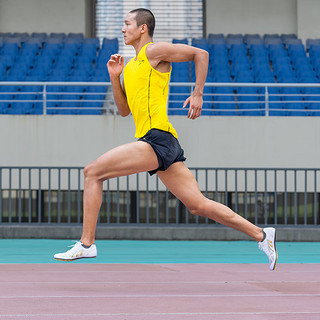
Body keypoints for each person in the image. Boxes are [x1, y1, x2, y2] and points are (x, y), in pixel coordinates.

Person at [54, 8, 278, 270]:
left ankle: (87, 244)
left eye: (127, 24)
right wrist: (115, 78)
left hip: (156, 139)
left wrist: (198, 93)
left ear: (142, 28)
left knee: (92, 172)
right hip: (161, 142)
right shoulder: (130, 67)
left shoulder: (153, 51)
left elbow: (200, 54)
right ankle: (262, 235)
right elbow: (125, 111)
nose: (123, 29)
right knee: (198, 205)